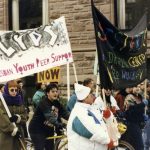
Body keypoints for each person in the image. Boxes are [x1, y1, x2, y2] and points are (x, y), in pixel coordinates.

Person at [67, 83, 115, 150]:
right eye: (91, 94)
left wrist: (107, 115)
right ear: (85, 98)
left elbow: (99, 119)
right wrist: (107, 140)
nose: (93, 96)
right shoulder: (78, 113)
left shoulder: (90, 108)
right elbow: (92, 131)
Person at [29, 83, 69, 150]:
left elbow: (64, 113)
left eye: (56, 91)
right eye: (52, 91)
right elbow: (50, 117)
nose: (55, 93)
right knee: (40, 147)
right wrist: (60, 124)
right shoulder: (43, 103)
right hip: (37, 130)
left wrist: (72, 119)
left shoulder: (57, 102)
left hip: (48, 129)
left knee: (50, 148)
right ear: (47, 93)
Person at [0, 80, 28, 150]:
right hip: (6, 135)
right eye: (12, 90)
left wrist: (18, 118)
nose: (14, 92)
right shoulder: (2, 102)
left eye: (16, 90)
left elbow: (25, 115)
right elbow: (2, 117)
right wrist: (12, 129)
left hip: (19, 133)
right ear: (7, 90)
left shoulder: (19, 100)